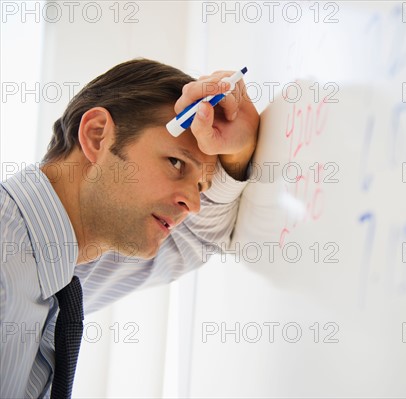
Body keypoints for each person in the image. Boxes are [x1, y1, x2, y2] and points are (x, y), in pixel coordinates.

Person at [0, 58, 259, 398]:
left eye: (200, 187)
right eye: (176, 163)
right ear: (97, 136)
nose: (194, 206)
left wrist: (239, 149)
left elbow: (198, 236)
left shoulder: (69, 263)